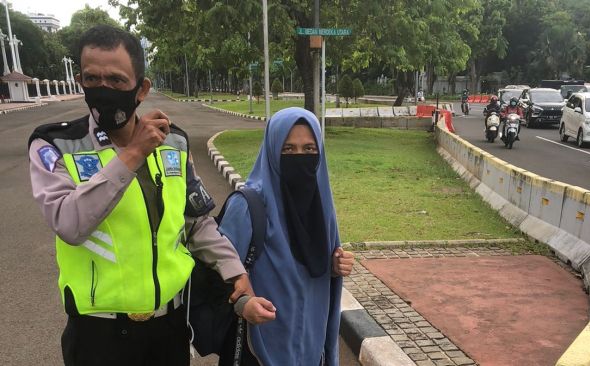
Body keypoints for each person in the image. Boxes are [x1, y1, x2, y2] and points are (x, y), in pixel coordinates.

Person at [28, 25, 273, 366]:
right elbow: (69, 224)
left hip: (169, 328)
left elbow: (196, 221)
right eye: (92, 79)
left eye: (115, 80)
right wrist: (132, 154)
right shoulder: (56, 145)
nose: (103, 89)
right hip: (98, 335)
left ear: (141, 89)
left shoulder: (174, 144)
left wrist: (233, 269)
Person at [217, 107, 355, 365]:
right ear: (272, 151)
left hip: (312, 349)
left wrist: (334, 267)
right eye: (288, 150)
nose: (299, 157)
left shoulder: (322, 207)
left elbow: (314, 264)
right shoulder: (248, 205)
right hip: (259, 348)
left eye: (309, 150)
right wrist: (243, 304)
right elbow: (215, 271)